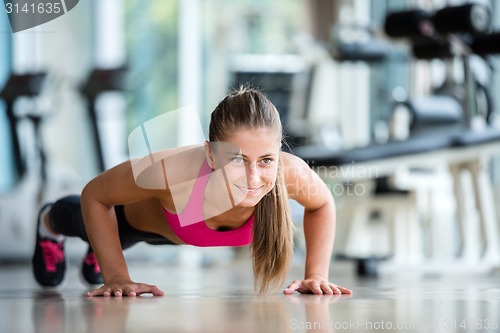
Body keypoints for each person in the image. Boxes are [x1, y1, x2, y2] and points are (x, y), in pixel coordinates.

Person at [32, 86, 352, 297]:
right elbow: (96, 195)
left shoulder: (289, 172)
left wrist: (316, 274)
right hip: (129, 222)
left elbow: (323, 204)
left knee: (102, 242)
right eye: (237, 159)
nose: (255, 177)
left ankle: (101, 248)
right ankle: (50, 223)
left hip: (167, 232)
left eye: (266, 159)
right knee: (78, 221)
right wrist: (116, 275)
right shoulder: (172, 171)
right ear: (211, 154)